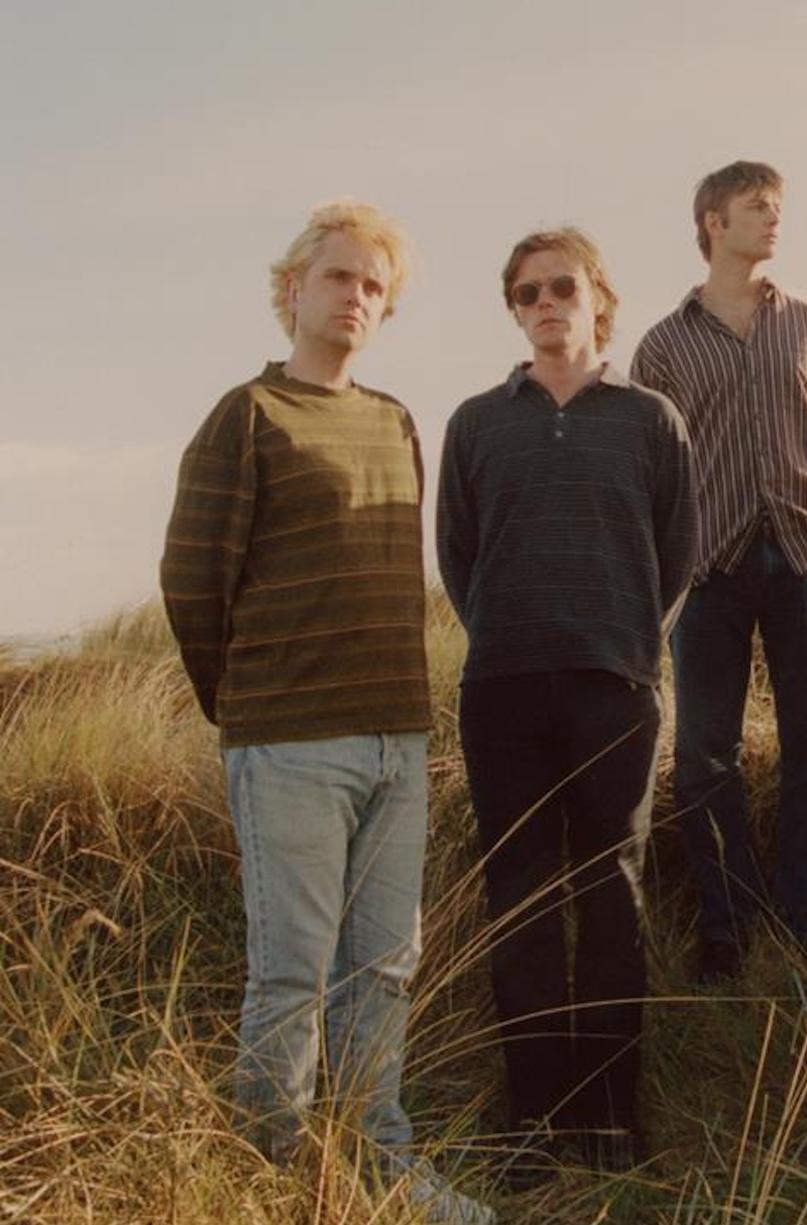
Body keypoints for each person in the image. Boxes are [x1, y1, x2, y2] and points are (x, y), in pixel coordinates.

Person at [160, 201, 493, 1223]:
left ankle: (378, 1161)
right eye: (339, 276)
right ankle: (273, 1177)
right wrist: (249, 706)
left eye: (374, 286)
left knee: (384, 968)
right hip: (289, 741)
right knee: (291, 975)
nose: (356, 296)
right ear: (293, 289)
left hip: (398, 738)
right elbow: (191, 581)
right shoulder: (248, 416)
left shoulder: (395, 421)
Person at [437, 227, 697, 1177]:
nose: (546, 303)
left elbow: (678, 554)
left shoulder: (652, 419)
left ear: (598, 300)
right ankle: (534, 1122)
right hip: (502, 688)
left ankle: (609, 1116)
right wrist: (512, 633)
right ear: (514, 309)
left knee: (611, 891)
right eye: (527, 292)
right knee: (521, 898)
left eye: (563, 287)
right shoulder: (476, 422)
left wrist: (621, 642)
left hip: (614, 688)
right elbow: (458, 557)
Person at [631, 160, 807, 983]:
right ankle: (727, 927)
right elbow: (652, 468)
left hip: (805, 559)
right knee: (704, 756)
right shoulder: (663, 344)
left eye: (778, 207)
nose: (774, 219)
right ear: (713, 222)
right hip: (707, 570)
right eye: (758, 207)